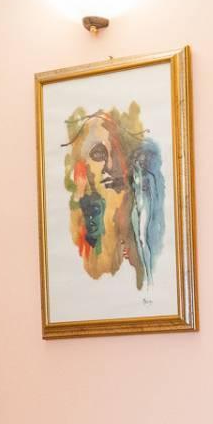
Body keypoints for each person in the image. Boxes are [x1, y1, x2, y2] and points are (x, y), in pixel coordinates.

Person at [62, 103, 166, 295]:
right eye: (99, 154)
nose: (110, 166)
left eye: (116, 155)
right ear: (82, 167)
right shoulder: (83, 230)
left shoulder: (139, 221)